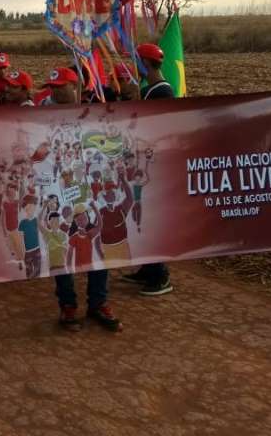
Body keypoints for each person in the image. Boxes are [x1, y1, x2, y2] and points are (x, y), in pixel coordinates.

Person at [41, 71, 121, 332]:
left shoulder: (93, 112)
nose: (53, 92)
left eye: (59, 87)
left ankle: (98, 302)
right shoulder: (41, 114)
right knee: (62, 250)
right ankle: (67, 305)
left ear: (75, 87)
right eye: (51, 87)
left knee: (97, 249)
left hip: (90, 194)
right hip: (59, 194)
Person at [121, 43, 174, 297]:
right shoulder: (150, 90)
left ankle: (160, 274)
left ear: (145, 63)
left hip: (150, 164)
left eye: (137, 61)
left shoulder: (161, 92)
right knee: (140, 217)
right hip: (142, 162)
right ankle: (148, 268)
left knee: (149, 219)